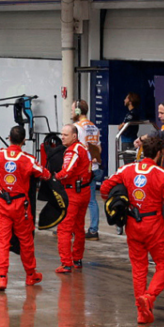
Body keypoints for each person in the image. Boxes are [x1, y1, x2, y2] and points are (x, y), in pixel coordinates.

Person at [101, 135, 164, 324]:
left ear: (143, 151)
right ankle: (149, 297)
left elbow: (105, 189)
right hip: (154, 225)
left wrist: (118, 202)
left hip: (132, 224)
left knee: (139, 268)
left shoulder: (126, 169)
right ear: (160, 154)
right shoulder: (163, 174)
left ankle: (142, 313)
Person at [0, 126, 51, 291]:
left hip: (2, 205)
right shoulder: (28, 160)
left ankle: (2, 277)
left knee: (2, 242)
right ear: (24, 140)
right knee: (26, 242)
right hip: (21, 207)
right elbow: (44, 174)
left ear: (9, 138)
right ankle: (30, 275)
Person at [54, 123, 93, 274]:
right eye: (61, 134)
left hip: (73, 194)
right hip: (84, 191)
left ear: (74, 136)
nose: (62, 138)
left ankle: (66, 263)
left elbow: (67, 172)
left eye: (65, 135)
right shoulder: (83, 148)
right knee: (79, 228)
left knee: (64, 229)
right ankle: (77, 259)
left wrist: (55, 178)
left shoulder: (73, 150)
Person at [71, 100, 103, 241]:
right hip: (94, 167)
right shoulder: (93, 127)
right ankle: (93, 229)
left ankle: (72, 228)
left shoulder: (76, 127)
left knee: (75, 199)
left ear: (78, 111)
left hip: (82, 169)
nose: (72, 112)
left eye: (73, 109)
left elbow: (75, 149)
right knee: (92, 200)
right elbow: (99, 148)